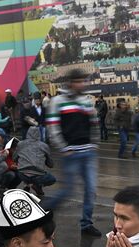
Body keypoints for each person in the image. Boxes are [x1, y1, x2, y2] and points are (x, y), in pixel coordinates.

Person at [45, 68, 102, 237]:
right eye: (79, 81)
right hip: (71, 153)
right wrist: (63, 147)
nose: (83, 84)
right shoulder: (58, 101)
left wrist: (94, 143)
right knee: (68, 190)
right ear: (71, 83)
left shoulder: (86, 101)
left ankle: (86, 224)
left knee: (91, 189)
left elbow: (94, 123)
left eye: (84, 81)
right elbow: (53, 126)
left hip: (88, 151)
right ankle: (45, 209)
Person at [8, 126, 57, 196]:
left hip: (22, 174)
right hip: (38, 175)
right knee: (52, 179)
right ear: (38, 134)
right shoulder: (44, 146)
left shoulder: (20, 144)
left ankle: (27, 184)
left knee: (23, 169)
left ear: (28, 133)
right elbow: (50, 165)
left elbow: (14, 158)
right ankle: (37, 185)